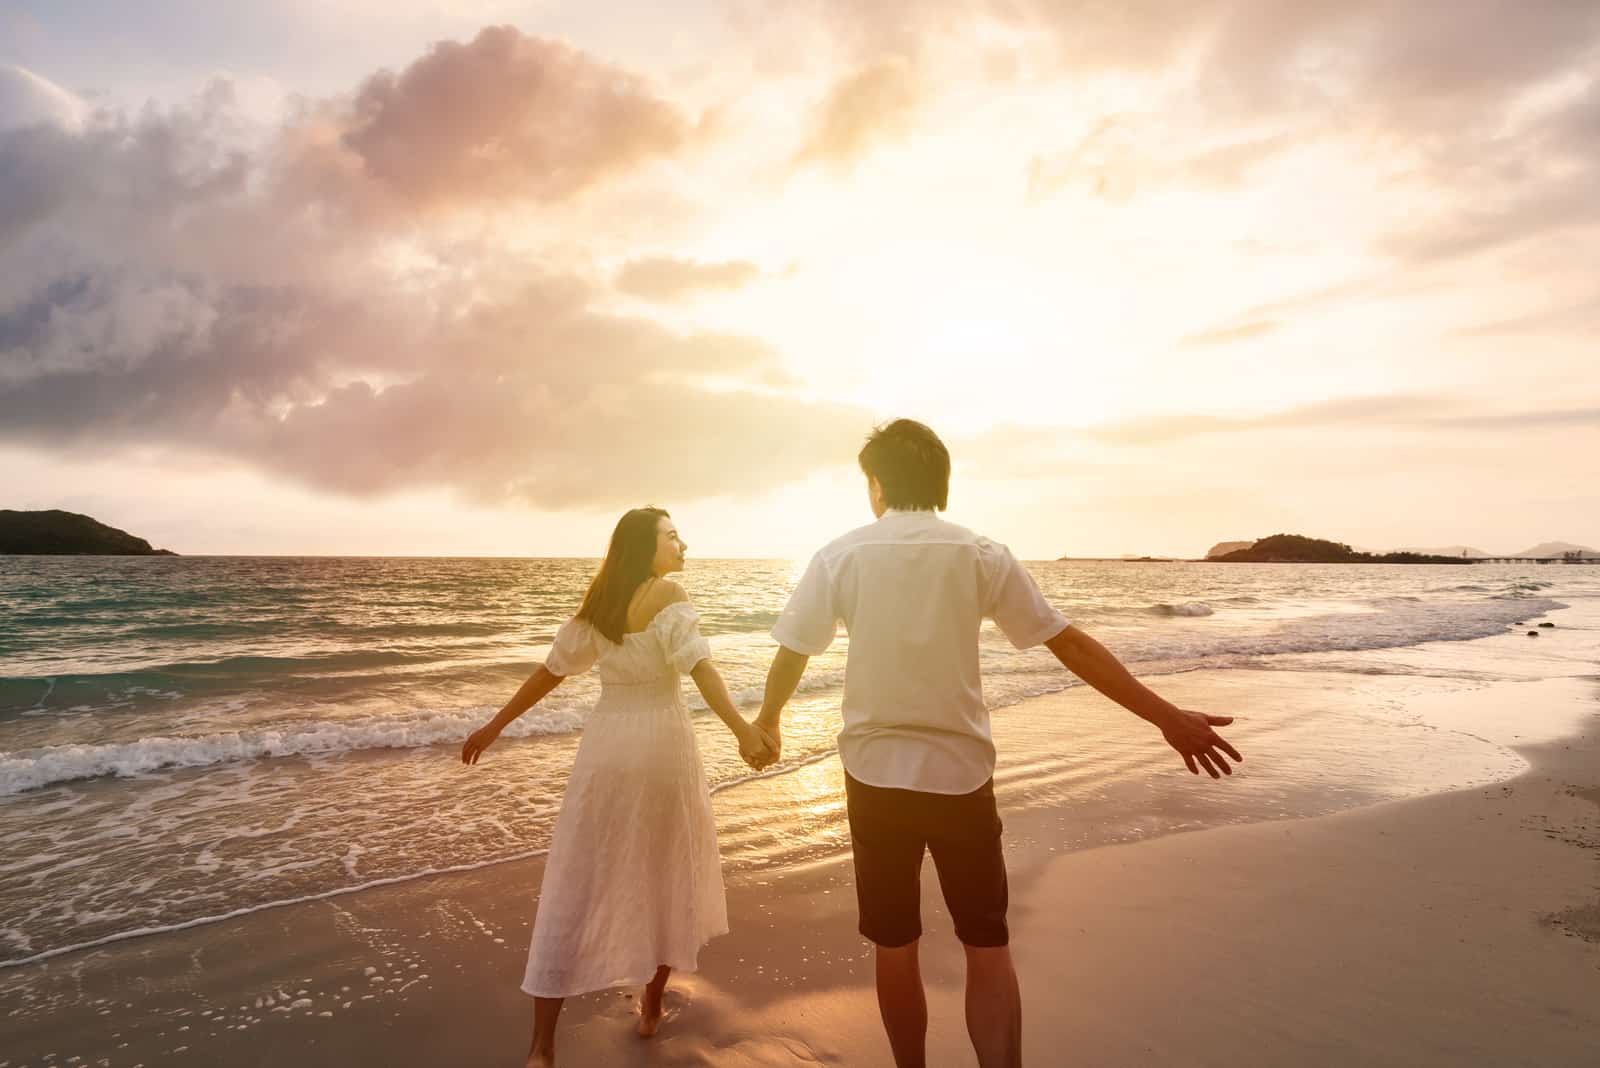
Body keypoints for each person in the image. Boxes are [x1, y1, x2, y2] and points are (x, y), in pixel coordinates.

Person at [751, 419, 1242, 1068]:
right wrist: (1163, 715)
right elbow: (1065, 641)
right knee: (987, 944)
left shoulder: (841, 555)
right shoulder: (980, 554)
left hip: (874, 777)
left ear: (874, 485)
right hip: (960, 777)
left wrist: (770, 720)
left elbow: (793, 649)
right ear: (942, 483)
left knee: (894, 946)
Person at [461, 507, 774, 1068]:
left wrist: (495, 725)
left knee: (574, 881)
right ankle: (651, 1008)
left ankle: (542, 1046)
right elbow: (700, 668)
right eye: (672, 536)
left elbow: (550, 671)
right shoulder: (670, 594)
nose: (683, 545)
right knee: (665, 871)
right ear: (643, 548)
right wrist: (743, 730)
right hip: (662, 749)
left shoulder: (599, 606)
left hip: (606, 751)